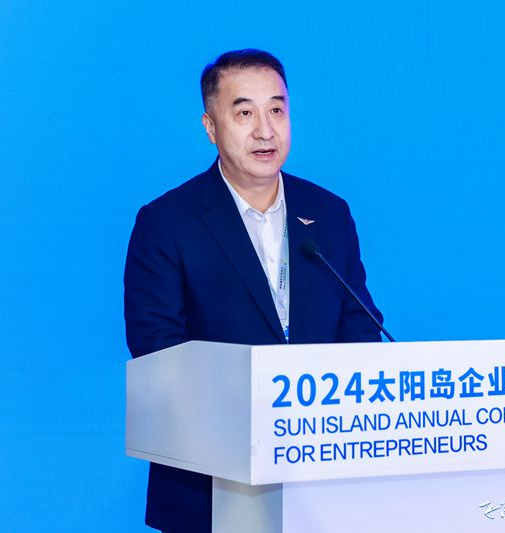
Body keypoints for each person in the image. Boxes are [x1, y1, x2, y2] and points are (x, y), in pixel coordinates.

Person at [124, 48, 384, 533]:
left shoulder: (329, 213)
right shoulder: (167, 222)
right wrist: (259, 411)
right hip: (211, 483)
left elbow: (360, 326)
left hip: (323, 476)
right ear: (211, 126)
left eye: (277, 110)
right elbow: (157, 349)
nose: (265, 130)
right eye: (244, 113)